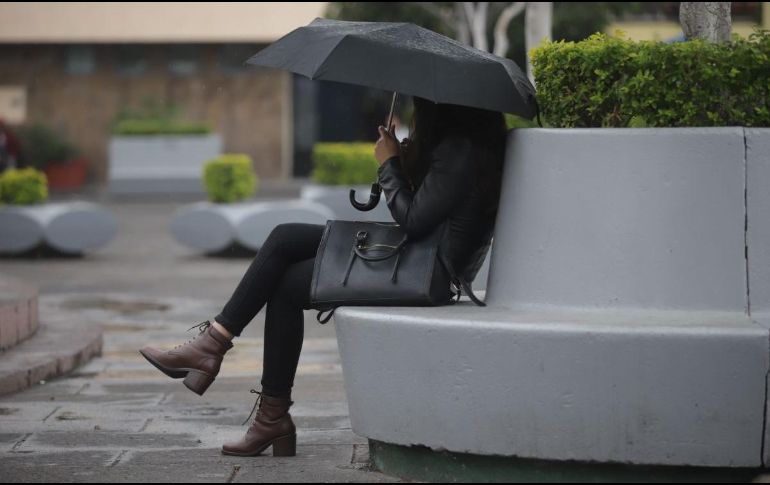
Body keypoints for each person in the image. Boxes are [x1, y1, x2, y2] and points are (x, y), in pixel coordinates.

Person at [139, 96, 508, 457]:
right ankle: (215, 348)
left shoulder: (460, 152)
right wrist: (408, 162)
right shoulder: (463, 147)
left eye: (420, 103)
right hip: (417, 255)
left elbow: (411, 220)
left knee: (285, 287)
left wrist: (390, 165)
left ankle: (264, 409)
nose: (416, 108)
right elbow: (429, 211)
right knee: (285, 236)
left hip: (426, 269)